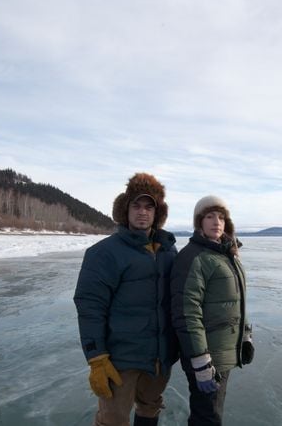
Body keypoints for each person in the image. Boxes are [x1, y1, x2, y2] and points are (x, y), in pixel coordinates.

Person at [74, 172, 179, 426]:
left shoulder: (168, 251)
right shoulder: (104, 253)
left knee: (150, 407)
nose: (142, 212)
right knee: (113, 420)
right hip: (121, 358)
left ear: (157, 213)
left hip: (158, 356)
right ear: (125, 210)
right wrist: (96, 356)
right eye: (136, 205)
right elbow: (90, 306)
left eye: (149, 207)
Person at [171, 195, 254, 425]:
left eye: (221, 217)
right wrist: (201, 361)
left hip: (223, 353)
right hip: (207, 357)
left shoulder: (226, 255)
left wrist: (245, 335)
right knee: (207, 418)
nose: (216, 222)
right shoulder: (194, 257)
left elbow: (238, 301)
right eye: (210, 216)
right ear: (199, 222)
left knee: (212, 415)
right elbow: (187, 313)